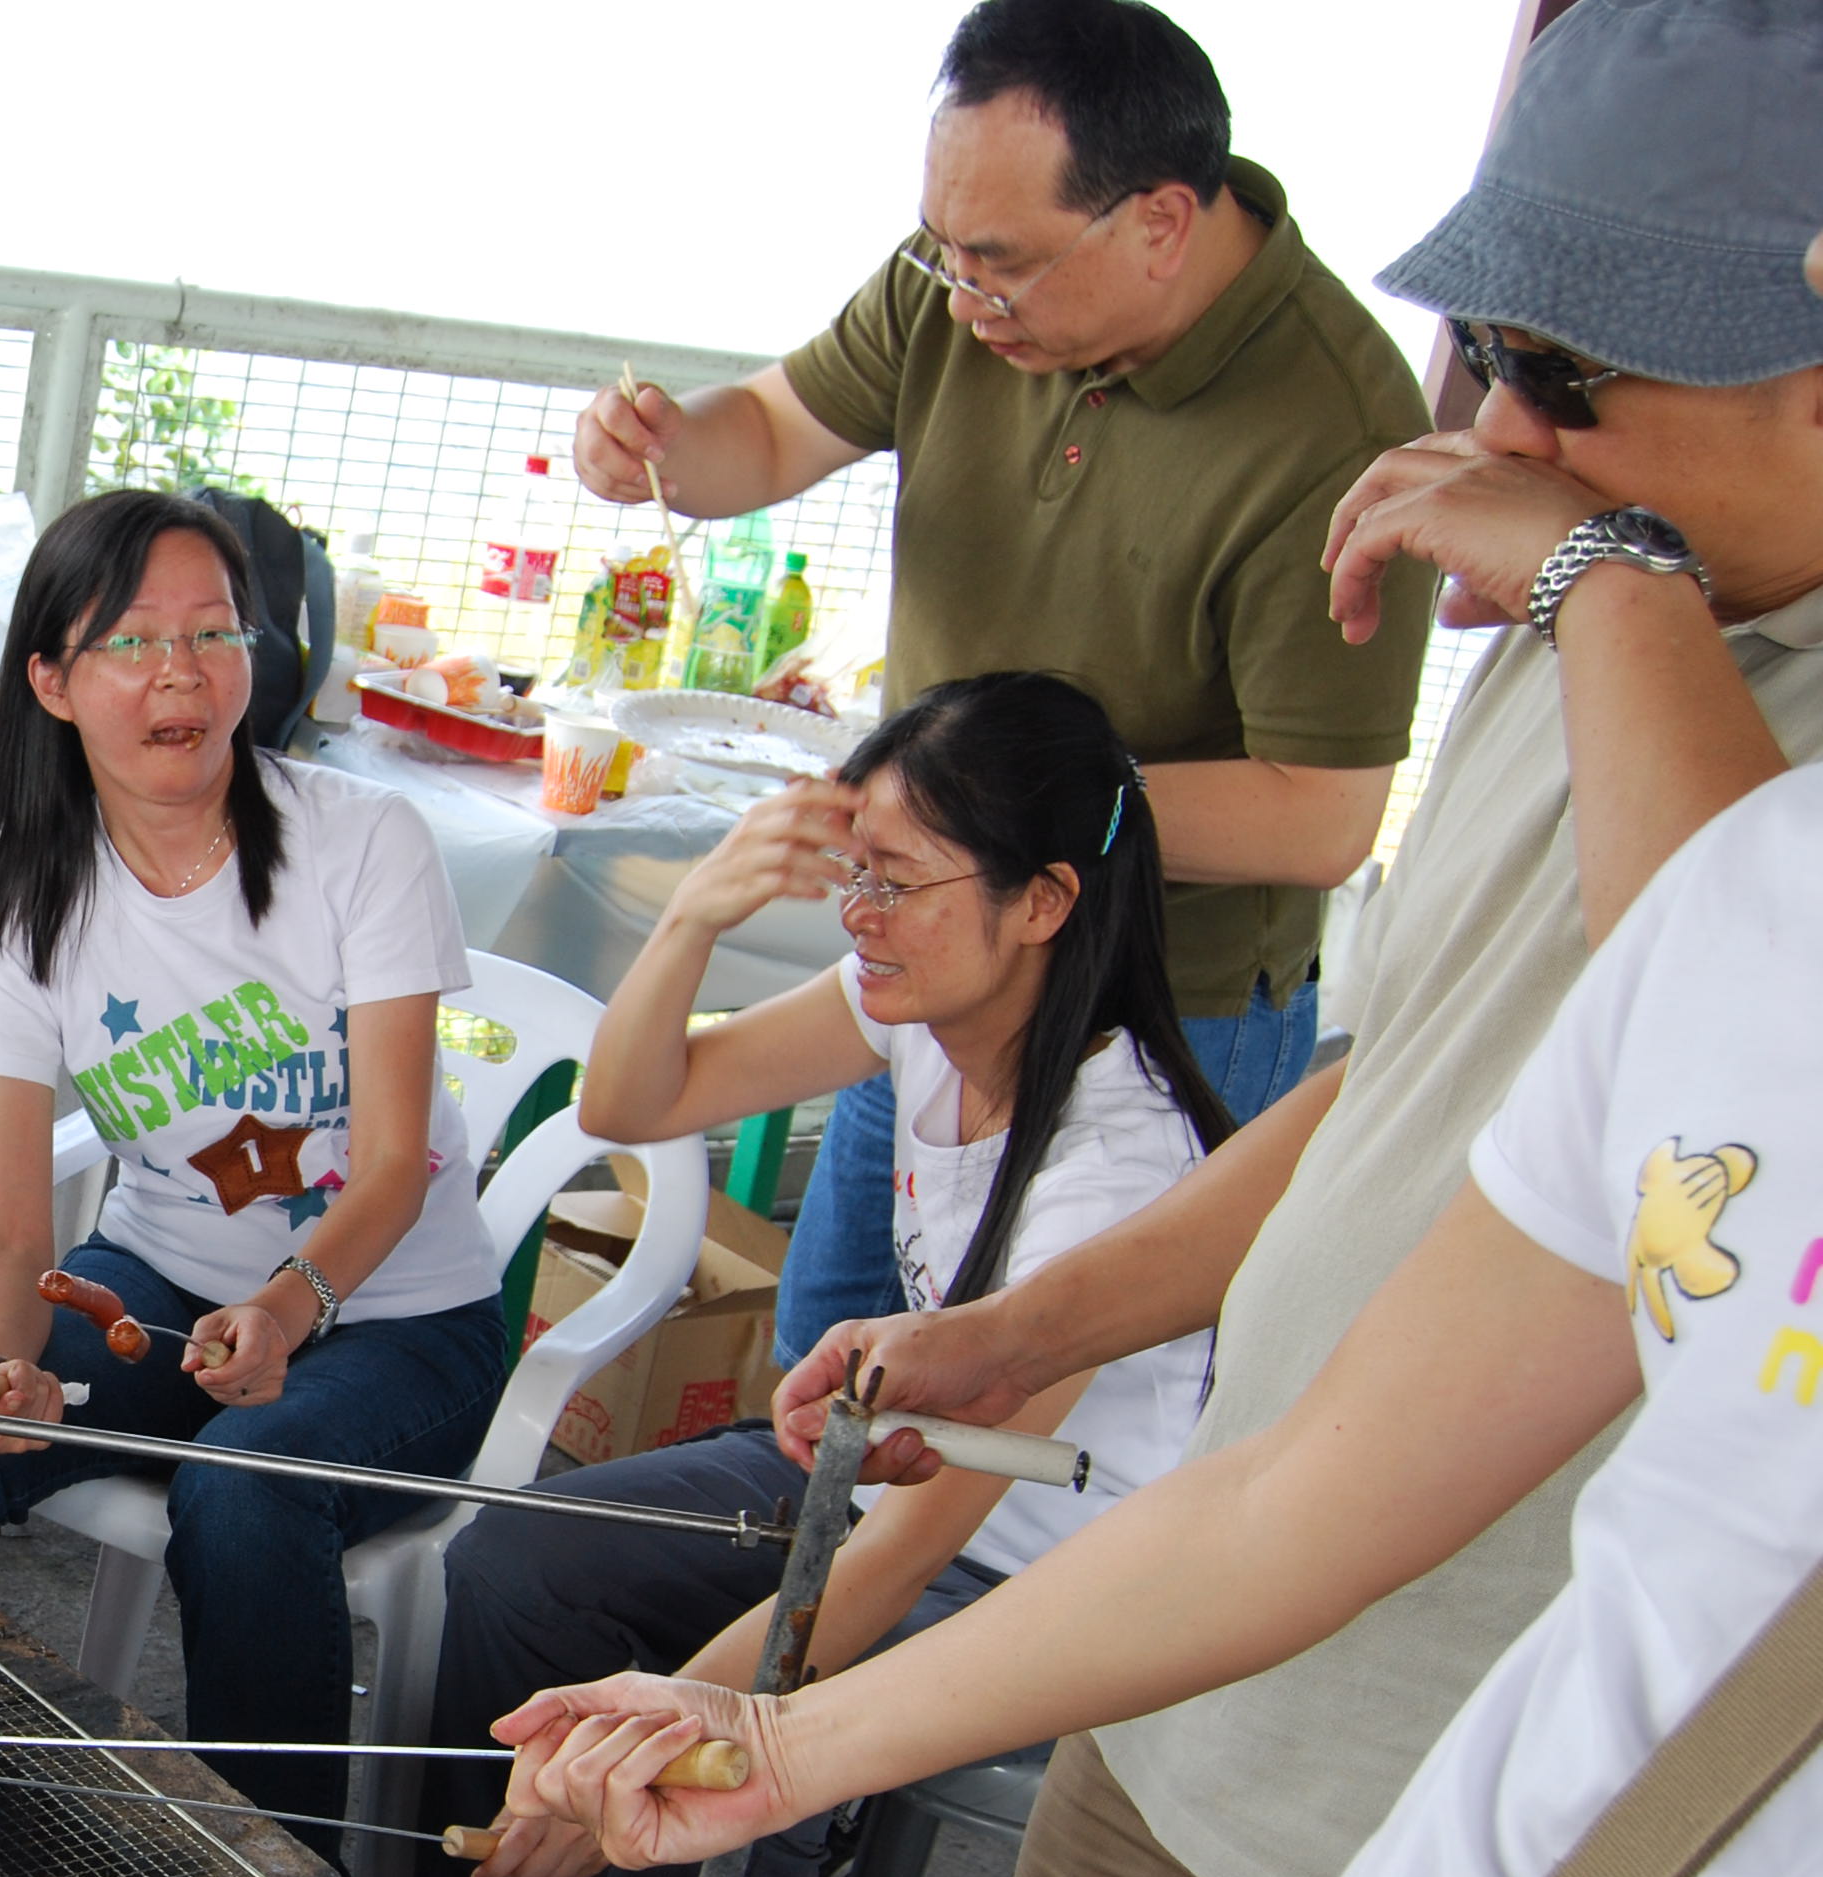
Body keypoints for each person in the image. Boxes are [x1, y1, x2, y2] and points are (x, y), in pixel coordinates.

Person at [757, 0, 1823, 1877]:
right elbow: (1396, 1079)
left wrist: (1598, 585)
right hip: (1191, 1667)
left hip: (1450, 1808)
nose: (1500, 433)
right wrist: (1022, 1326)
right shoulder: (1594, 603)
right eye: (1488, 356)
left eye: (1571, 377)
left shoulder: (1632, 625)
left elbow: (1736, 1053)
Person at [492, 746, 1823, 1877]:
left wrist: (783, 1728)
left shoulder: (1117, 1139)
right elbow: (1296, 1492)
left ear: (1041, 902)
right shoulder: (1755, 893)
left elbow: (954, 1551)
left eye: (900, 874)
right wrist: (774, 1742)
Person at [421, 673, 1227, 1877]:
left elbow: (885, 1575)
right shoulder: (915, 1005)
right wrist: (698, 912)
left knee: (740, 1736)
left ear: (1043, 900)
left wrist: (638, 1736)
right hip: (881, 1480)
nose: (858, 914)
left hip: (1044, 1568)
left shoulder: (1116, 1166)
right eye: (848, 871)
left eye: (897, 880)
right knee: (520, 1560)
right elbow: (625, 1101)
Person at [573, 0, 1437, 1374]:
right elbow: (773, 430)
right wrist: (666, 449)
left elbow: (1321, 815)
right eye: (942, 246)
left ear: (1159, 222)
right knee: (830, 1349)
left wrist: (978, 815)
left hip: (1164, 1001)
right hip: (943, 943)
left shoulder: (1339, 426)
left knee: (1034, 1405)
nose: (960, 295)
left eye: (1001, 265)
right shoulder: (958, 273)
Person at [0, 488, 511, 1832]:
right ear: (50, 681)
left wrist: (284, 1307)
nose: (182, 673)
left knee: (244, 1492)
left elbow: (394, 1165)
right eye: (132, 641)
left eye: (214, 632)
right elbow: (8, 1235)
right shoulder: (21, 908)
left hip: (399, 1320)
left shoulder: (360, 842)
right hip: (155, 1289)